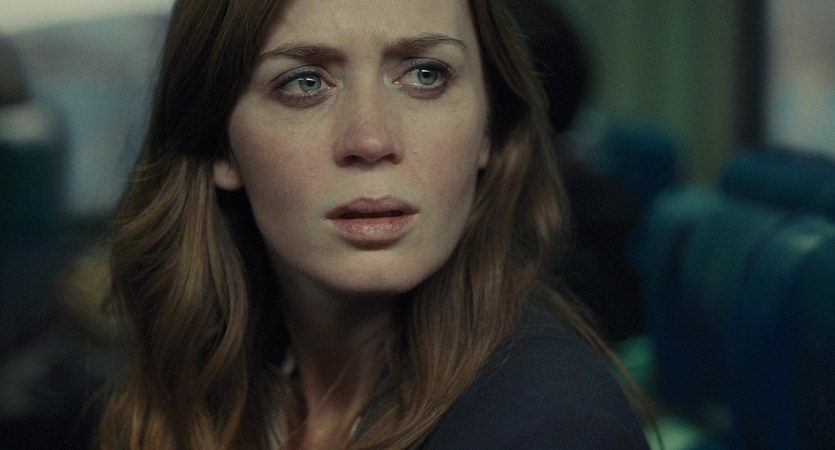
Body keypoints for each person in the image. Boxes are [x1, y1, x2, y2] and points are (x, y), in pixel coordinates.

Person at [97, 0, 650, 448]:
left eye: (426, 74)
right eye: (305, 82)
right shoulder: (210, 379)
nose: (370, 139)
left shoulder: (551, 428)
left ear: (488, 127)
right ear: (218, 144)